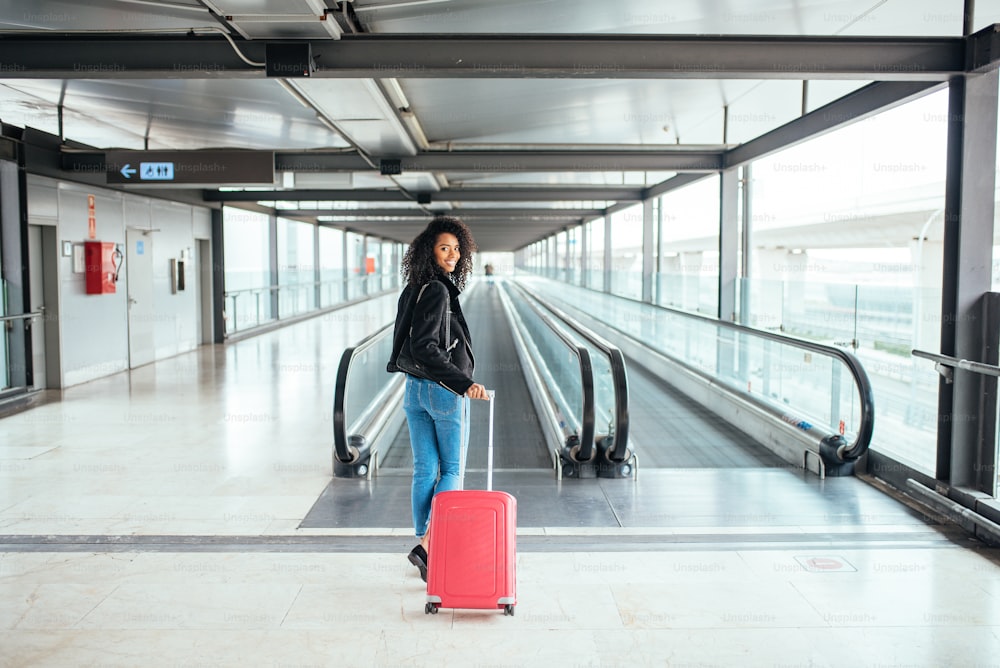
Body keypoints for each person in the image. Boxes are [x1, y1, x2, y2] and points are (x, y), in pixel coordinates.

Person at [386, 215, 489, 582]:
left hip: (414, 390)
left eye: (457, 249)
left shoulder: (412, 288)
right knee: (451, 471)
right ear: (430, 250)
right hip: (443, 392)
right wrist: (462, 383)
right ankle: (430, 546)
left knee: (425, 471)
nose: (453, 255)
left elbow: (404, 344)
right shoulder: (438, 290)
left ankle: (424, 545)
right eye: (445, 248)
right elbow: (425, 346)